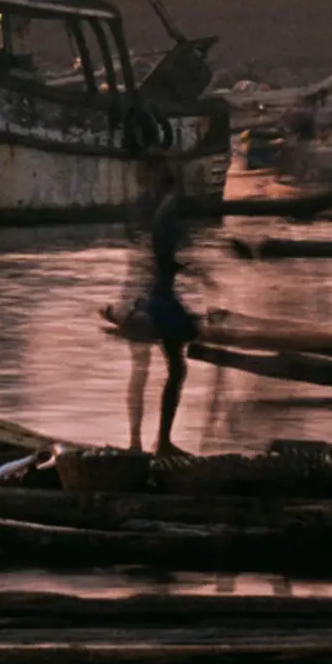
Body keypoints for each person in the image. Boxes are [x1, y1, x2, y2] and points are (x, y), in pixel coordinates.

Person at [114, 168, 200, 453]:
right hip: (157, 300)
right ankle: (157, 440)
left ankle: (140, 441)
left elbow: (150, 255)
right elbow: (161, 257)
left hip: (150, 296)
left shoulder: (150, 209)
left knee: (153, 369)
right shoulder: (168, 211)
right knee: (173, 367)